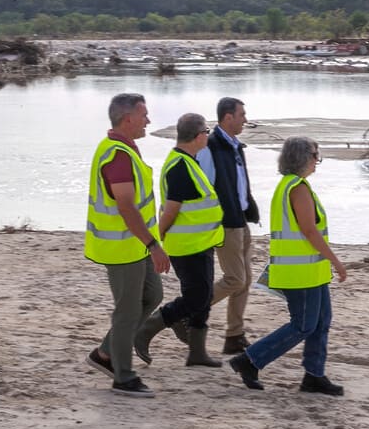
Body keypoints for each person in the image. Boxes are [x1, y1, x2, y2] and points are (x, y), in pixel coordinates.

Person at [228, 136, 347, 396]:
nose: (318, 161)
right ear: (303, 158)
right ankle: (249, 360)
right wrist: (336, 261)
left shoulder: (294, 185)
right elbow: (309, 231)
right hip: (299, 273)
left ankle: (314, 375)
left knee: (322, 320)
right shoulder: (297, 188)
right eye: (316, 155)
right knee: (303, 325)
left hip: (311, 271)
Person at [84, 92, 169, 398]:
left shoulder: (125, 150)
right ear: (128, 118)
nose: (148, 120)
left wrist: (149, 243)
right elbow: (126, 207)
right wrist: (153, 244)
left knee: (153, 295)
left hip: (134, 244)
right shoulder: (117, 155)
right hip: (122, 247)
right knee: (127, 311)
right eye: (144, 115)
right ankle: (123, 376)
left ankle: (105, 353)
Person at [133, 113, 226, 369]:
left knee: (203, 297)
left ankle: (197, 352)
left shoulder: (189, 161)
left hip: (201, 243)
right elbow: (171, 211)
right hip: (185, 247)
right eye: (206, 132)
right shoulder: (180, 167)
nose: (208, 135)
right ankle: (146, 329)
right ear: (198, 136)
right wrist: (155, 245)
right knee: (196, 298)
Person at [197, 96, 261, 354]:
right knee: (235, 279)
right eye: (241, 114)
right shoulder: (211, 146)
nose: (245, 119)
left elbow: (239, 184)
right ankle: (189, 309)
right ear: (227, 117)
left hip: (241, 220)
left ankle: (234, 335)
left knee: (244, 281)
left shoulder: (235, 146)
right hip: (225, 223)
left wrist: (249, 207)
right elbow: (205, 186)